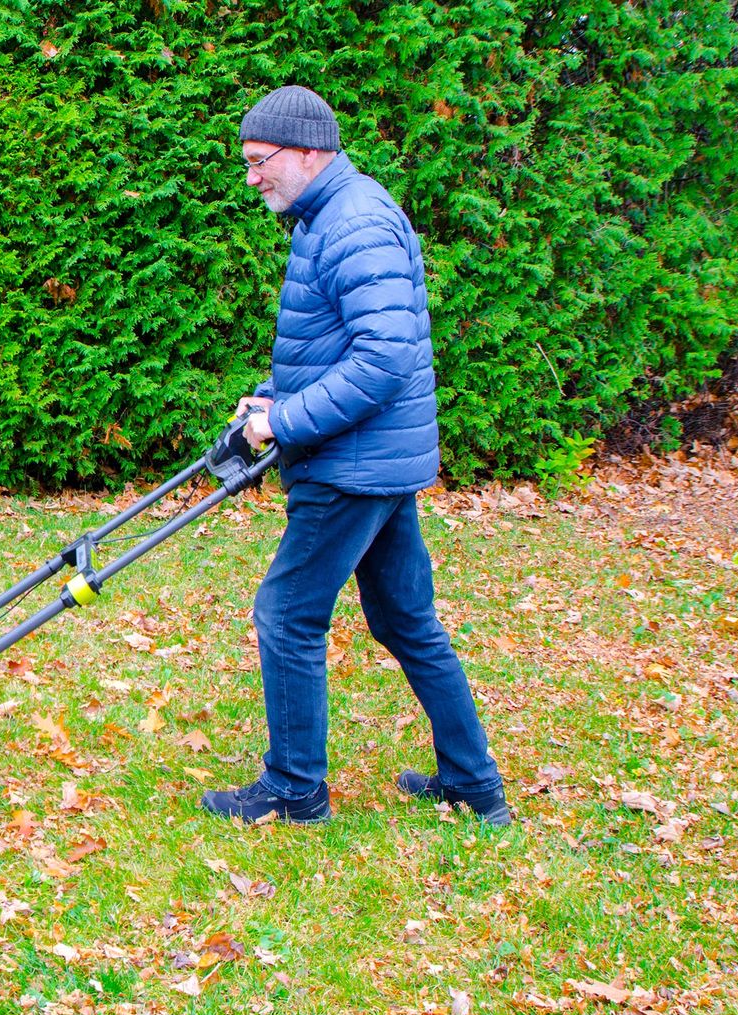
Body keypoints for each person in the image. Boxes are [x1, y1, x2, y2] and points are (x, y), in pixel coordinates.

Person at [198, 85, 511, 826]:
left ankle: (294, 789)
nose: (251, 178)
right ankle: (474, 782)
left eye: (258, 162)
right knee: (407, 622)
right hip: (374, 458)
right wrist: (271, 399)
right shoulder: (329, 215)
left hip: (352, 464)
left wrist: (287, 423)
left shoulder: (354, 222)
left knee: (287, 613)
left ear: (306, 151)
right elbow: (339, 348)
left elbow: (380, 363)